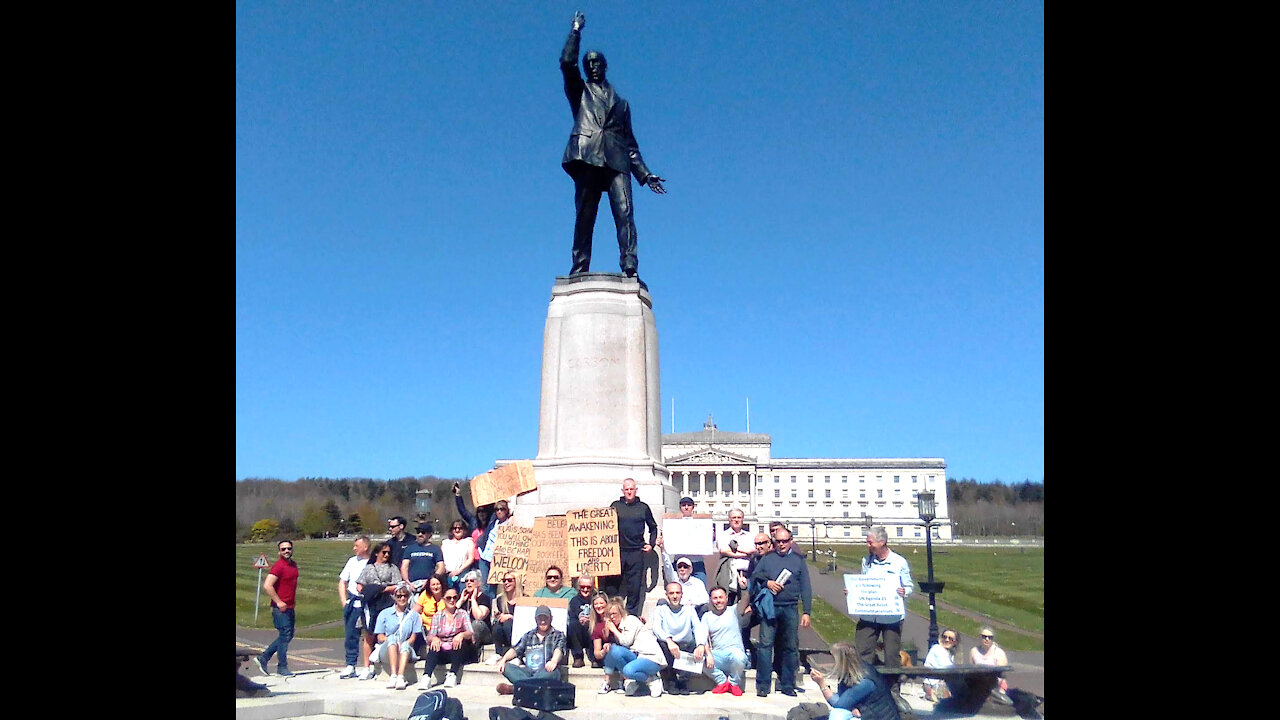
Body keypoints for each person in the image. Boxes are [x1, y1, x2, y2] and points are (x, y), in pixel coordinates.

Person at [558, 11, 666, 277]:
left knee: (625, 213)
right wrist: (575, 31)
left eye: (597, 62)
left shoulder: (622, 104)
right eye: (588, 63)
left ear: (605, 66)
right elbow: (566, 62)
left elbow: (630, 144)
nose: (592, 66)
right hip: (587, 156)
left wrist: (644, 173)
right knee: (585, 217)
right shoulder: (579, 91)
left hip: (617, 160)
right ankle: (579, 266)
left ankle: (630, 264)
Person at [749, 527, 812, 697]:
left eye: (785, 541)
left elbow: (806, 586)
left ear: (791, 541)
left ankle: (787, 684)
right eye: (778, 541)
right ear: (774, 542)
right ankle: (762, 685)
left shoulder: (799, 560)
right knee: (765, 646)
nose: (781, 544)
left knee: (790, 647)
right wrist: (767, 583)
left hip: (790, 607)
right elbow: (755, 576)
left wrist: (807, 612)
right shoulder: (767, 558)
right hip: (771, 607)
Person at [854, 526, 913, 671]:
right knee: (863, 652)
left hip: (891, 617)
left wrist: (904, 590)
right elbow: (864, 582)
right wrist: (854, 591)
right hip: (869, 616)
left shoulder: (899, 562)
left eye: (870, 542)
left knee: (892, 656)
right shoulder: (866, 561)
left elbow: (909, 586)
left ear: (882, 542)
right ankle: (864, 687)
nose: (868, 546)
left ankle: (892, 690)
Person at [810, 641, 902, 720]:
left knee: (837, 715)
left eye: (833, 657)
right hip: (866, 714)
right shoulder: (854, 670)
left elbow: (839, 704)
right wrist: (852, 707)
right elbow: (843, 697)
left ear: (842, 660)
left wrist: (821, 684)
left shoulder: (864, 681)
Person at [599, 598, 668, 697]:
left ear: (621, 612)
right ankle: (618, 681)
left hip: (651, 657)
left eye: (614, 613)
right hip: (637, 656)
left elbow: (626, 642)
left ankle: (652, 679)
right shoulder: (619, 627)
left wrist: (614, 630)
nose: (612, 617)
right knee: (613, 650)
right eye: (610, 615)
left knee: (628, 670)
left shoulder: (631, 620)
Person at [608, 477, 657, 615]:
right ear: (623, 491)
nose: (629, 492)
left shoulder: (643, 507)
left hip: (636, 552)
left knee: (634, 587)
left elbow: (653, 527)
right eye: (627, 489)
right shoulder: (615, 505)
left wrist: (651, 544)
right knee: (612, 586)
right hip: (618, 552)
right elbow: (605, 525)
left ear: (636, 490)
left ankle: (631, 617)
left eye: (631, 489)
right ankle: (613, 614)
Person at [650, 582, 710, 695]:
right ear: (667, 595)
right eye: (671, 593)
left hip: (685, 645)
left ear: (682, 594)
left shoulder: (689, 609)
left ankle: (683, 682)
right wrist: (669, 640)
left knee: (694, 644)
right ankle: (671, 681)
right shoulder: (661, 610)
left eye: (677, 593)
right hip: (669, 645)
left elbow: (698, 627)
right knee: (661, 643)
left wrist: (701, 645)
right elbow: (657, 628)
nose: (675, 596)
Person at [455, 484, 514, 596]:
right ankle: (485, 607)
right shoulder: (487, 522)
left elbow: (493, 504)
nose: (499, 511)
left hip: (496, 558)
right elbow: (463, 512)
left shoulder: (498, 521)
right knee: (484, 586)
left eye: (502, 509)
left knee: (494, 586)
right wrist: (458, 495)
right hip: (482, 557)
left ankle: (492, 607)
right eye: (497, 509)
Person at [495, 605, 566, 694]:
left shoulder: (558, 635)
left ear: (551, 618)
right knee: (507, 667)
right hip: (528, 671)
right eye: (540, 618)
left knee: (553, 674)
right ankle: (529, 687)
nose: (543, 621)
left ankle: (516, 688)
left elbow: (559, 649)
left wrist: (554, 661)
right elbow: (516, 649)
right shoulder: (528, 635)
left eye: (546, 618)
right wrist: (503, 660)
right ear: (536, 619)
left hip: (546, 670)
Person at [355, 542, 401, 679]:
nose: (386, 555)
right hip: (371, 604)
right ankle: (366, 667)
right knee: (369, 635)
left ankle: (384, 663)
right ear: (376, 553)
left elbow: (398, 584)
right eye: (383, 552)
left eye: (388, 553)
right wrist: (369, 591)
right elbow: (359, 585)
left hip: (387, 603)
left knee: (385, 634)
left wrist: (382, 589)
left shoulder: (392, 568)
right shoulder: (369, 568)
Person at [255, 539, 299, 677]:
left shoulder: (293, 565)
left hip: (290, 606)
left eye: (289, 548)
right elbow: (268, 585)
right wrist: (279, 602)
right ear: (279, 551)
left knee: (287, 635)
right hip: (280, 608)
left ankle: (264, 657)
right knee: (285, 635)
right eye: (283, 549)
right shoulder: (278, 566)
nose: (287, 551)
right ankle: (282, 667)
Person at [420, 586, 475, 689]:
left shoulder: (462, 614)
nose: (452, 600)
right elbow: (430, 636)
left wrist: (461, 635)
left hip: (458, 650)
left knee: (459, 642)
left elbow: (470, 632)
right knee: (434, 645)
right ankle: (426, 676)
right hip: (443, 649)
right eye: (449, 598)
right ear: (443, 599)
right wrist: (434, 638)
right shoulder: (438, 616)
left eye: (454, 597)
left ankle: (452, 674)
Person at [373, 582, 424, 691]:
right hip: (387, 648)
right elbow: (380, 637)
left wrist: (403, 644)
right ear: (394, 597)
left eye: (405, 596)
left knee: (405, 644)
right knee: (391, 638)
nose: (402, 598)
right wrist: (395, 641)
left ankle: (401, 676)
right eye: (399, 596)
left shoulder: (414, 616)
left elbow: (413, 638)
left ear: (409, 597)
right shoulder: (384, 613)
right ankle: (393, 675)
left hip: (405, 649)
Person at [336, 536, 372, 678]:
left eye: (357, 546)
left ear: (365, 547)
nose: (354, 548)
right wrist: (344, 601)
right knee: (351, 635)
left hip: (368, 604)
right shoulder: (352, 561)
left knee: (370, 635)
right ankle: (350, 665)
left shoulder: (372, 562)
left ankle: (368, 666)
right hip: (353, 604)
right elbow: (342, 582)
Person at [702, 586, 748, 696]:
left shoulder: (734, 611)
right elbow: (703, 638)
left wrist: (744, 588)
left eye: (721, 597)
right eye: (715, 598)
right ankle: (722, 682)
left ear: (726, 598)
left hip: (734, 653)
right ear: (711, 600)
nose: (718, 601)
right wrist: (708, 654)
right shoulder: (707, 616)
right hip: (718, 655)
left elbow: (746, 599)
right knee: (699, 660)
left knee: (740, 657)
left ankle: (733, 683)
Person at [740, 532, 774, 668]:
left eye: (762, 543)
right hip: (755, 604)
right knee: (742, 622)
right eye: (756, 544)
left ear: (769, 544)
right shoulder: (754, 560)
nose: (758, 546)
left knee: (768, 636)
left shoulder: (774, 559)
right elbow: (752, 584)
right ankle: (747, 654)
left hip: (770, 604)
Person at [717, 509, 753, 604]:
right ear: (729, 519)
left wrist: (733, 548)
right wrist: (745, 553)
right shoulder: (723, 535)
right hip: (728, 573)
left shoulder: (750, 536)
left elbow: (753, 550)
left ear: (743, 519)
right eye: (734, 517)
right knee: (729, 602)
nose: (736, 520)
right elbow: (724, 551)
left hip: (747, 573)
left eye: (739, 517)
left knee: (746, 602)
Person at [457, 570, 493, 661]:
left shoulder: (484, 598)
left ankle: (472, 655)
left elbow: (479, 617)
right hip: (466, 632)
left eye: (472, 580)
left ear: (478, 583)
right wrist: (461, 600)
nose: (468, 583)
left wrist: (473, 599)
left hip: (484, 632)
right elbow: (450, 614)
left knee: (476, 624)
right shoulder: (462, 598)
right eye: (467, 581)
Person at [673, 496, 709, 582]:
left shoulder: (701, 522)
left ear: (693, 507)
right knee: (678, 589)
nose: (686, 507)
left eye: (688, 505)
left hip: (696, 562)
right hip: (680, 561)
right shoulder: (673, 522)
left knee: (700, 587)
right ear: (680, 507)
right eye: (683, 505)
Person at [401, 523, 446, 591]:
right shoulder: (410, 548)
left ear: (429, 535)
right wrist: (408, 582)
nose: (420, 534)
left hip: (428, 585)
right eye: (418, 532)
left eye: (423, 532)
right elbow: (404, 567)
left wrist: (431, 581)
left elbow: (441, 567)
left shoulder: (435, 549)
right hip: (412, 584)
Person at [489, 571, 522, 663]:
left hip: (519, 630)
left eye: (509, 580)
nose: (506, 583)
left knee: (508, 623)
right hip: (504, 631)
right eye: (504, 580)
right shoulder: (499, 600)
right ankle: (498, 653)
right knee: (497, 626)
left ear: (516, 582)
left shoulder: (524, 599)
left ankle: (516, 654)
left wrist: (511, 617)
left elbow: (526, 619)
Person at [567, 574, 598, 668]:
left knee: (596, 626)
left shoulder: (597, 599)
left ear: (592, 587)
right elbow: (572, 617)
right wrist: (580, 620)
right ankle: (578, 657)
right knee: (573, 624)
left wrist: (591, 619)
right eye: (582, 587)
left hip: (592, 632)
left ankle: (595, 659)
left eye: (588, 587)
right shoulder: (574, 601)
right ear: (578, 587)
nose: (585, 589)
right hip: (579, 634)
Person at [412, 574, 449, 650]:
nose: (436, 587)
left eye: (438, 584)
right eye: (433, 585)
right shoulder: (425, 595)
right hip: (426, 628)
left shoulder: (447, 595)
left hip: (442, 628)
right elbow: (415, 611)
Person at [969, 627, 1010, 693]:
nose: (987, 639)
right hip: (979, 685)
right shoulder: (973, 651)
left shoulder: (999, 653)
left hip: (996, 686)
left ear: (993, 639)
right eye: (984, 637)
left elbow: (1001, 676)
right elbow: (971, 671)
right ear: (980, 637)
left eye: (990, 637)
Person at [922, 628, 958, 702]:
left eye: (950, 638)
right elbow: (946, 669)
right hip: (933, 685)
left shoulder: (950, 653)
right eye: (944, 637)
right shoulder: (937, 649)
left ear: (955, 642)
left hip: (942, 684)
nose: (947, 640)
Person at [441, 520, 477, 590]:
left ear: (464, 530)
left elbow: (471, 558)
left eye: (460, 528)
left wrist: (458, 571)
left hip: (462, 577)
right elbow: (441, 559)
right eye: (454, 528)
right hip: (447, 576)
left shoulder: (468, 542)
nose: (457, 530)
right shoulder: (445, 543)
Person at [586, 591, 612, 668]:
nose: (598, 606)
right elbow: (597, 653)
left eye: (601, 603)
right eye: (596, 604)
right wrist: (603, 651)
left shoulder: (613, 618)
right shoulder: (596, 625)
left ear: (607, 603)